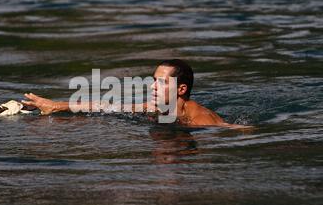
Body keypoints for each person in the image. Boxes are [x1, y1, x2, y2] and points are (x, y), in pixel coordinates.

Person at [22, 59, 246, 128]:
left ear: (181, 89)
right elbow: (105, 106)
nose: (153, 87)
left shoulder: (200, 120)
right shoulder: (157, 108)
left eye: (161, 82)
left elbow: (236, 130)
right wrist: (54, 106)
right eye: (153, 81)